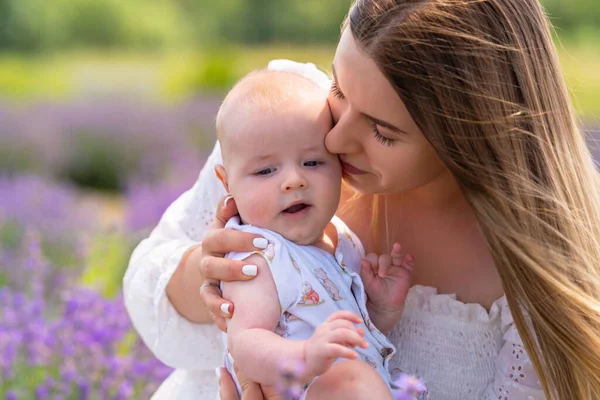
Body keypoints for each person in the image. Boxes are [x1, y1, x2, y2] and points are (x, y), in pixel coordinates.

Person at [123, 0, 600, 399]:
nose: (333, 141)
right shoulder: (281, 120)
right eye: (338, 88)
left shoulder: (545, 275)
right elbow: (148, 292)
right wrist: (204, 274)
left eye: (382, 132)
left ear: (471, 139)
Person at [212, 68, 415, 399]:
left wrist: (381, 310)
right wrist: (305, 356)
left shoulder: (342, 242)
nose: (294, 180)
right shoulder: (259, 257)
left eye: (312, 163)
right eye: (266, 170)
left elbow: (350, 330)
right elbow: (245, 341)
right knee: (352, 379)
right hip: (300, 387)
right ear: (227, 183)